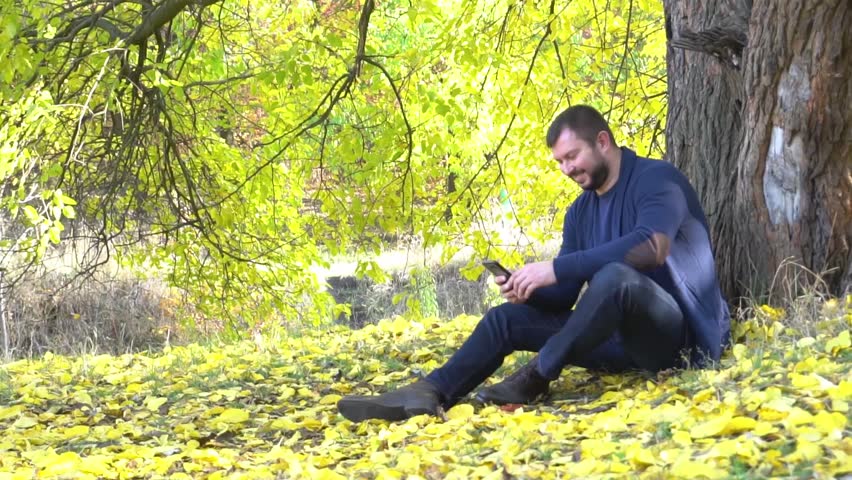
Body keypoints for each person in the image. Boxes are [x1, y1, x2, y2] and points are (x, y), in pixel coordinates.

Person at [337, 105, 730, 422]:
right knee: (504, 318)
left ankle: (538, 376)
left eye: (572, 156)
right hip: (613, 343)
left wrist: (557, 268)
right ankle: (429, 391)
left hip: (677, 343)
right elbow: (564, 297)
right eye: (559, 162)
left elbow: (653, 246)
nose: (567, 169)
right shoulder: (580, 212)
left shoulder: (658, 180)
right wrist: (529, 287)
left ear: (603, 141)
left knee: (616, 277)